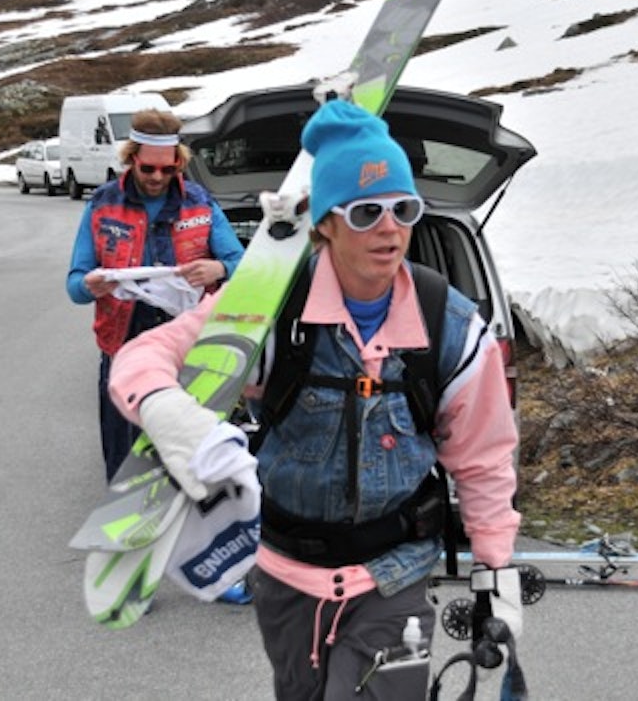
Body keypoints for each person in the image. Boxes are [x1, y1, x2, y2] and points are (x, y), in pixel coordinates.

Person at [106, 100, 523, 699]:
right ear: (324, 221)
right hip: (286, 579)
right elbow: (143, 358)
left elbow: (483, 459)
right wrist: (171, 417)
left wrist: (495, 571)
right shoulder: (267, 313)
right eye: (366, 212)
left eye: (404, 210)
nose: (390, 228)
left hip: (394, 579)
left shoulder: (454, 329)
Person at [66, 107, 245, 484]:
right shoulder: (101, 205)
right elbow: (75, 286)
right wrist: (90, 285)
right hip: (122, 343)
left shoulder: (200, 202)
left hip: (189, 344)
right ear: (132, 159)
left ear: (179, 162)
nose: (158, 177)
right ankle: (127, 528)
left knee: (189, 450)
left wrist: (219, 269)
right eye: (149, 169)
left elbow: (241, 263)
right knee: (124, 454)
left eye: (169, 169)